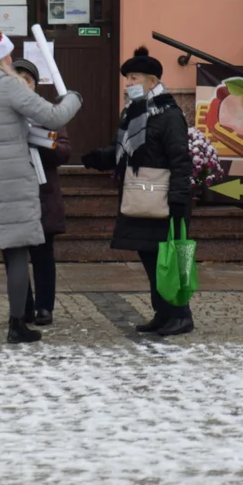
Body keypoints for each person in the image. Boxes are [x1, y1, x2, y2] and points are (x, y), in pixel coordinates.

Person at [0, 29, 82, 344]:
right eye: (7, 54)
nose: (11, 59)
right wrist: (73, 99)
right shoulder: (9, 85)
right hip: (13, 180)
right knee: (16, 252)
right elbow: (51, 117)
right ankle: (16, 325)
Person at [81, 46, 195, 337]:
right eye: (127, 78)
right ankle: (163, 314)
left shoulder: (168, 114)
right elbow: (126, 153)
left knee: (166, 260)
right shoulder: (133, 112)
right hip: (140, 196)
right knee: (150, 260)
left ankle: (180, 316)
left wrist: (179, 198)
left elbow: (181, 158)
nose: (128, 83)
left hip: (163, 199)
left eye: (134, 78)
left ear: (153, 81)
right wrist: (100, 158)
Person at [12, 58, 70, 327]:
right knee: (15, 254)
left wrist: (43, 140)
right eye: (18, 76)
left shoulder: (48, 113)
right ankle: (21, 307)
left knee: (43, 253)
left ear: (35, 85)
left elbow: (64, 151)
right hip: (12, 192)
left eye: (28, 78)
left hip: (42, 193)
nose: (23, 82)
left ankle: (44, 307)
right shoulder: (3, 111)